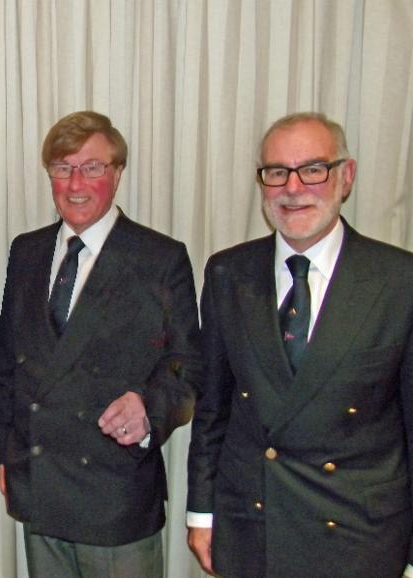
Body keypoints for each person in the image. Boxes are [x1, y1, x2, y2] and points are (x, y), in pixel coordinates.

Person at [186, 112, 413, 577]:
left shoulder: (398, 281)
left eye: (313, 169)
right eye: (276, 172)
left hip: (358, 536)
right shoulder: (228, 272)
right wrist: (201, 514)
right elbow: (214, 407)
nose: (293, 188)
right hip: (252, 524)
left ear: (345, 176)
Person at [0, 110, 203, 578]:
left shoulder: (160, 257)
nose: (75, 182)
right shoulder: (26, 251)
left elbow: (187, 365)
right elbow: (6, 364)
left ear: (118, 172)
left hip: (116, 494)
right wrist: (5, 454)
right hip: (41, 486)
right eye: (62, 168)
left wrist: (149, 406)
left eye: (92, 167)